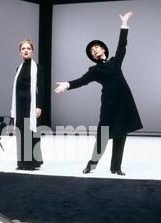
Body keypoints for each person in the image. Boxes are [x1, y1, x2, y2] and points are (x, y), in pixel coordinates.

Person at [54, 11, 142, 176]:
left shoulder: (116, 61)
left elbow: (122, 45)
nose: (94, 50)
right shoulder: (94, 70)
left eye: (96, 47)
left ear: (102, 49)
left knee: (121, 135)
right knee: (103, 136)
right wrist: (67, 84)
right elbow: (82, 80)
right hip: (109, 105)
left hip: (123, 103)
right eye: (92, 50)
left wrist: (124, 24)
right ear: (92, 56)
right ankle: (92, 164)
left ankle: (116, 167)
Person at [11, 39, 44, 170]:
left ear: (32, 51)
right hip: (20, 105)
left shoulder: (38, 67)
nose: (26, 50)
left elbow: (41, 89)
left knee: (31, 133)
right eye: (23, 48)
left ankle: (32, 162)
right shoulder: (18, 68)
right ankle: (22, 162)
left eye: (28, 48)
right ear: (20, 52)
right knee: (21, 132)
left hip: (31, 105)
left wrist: (39, 106)